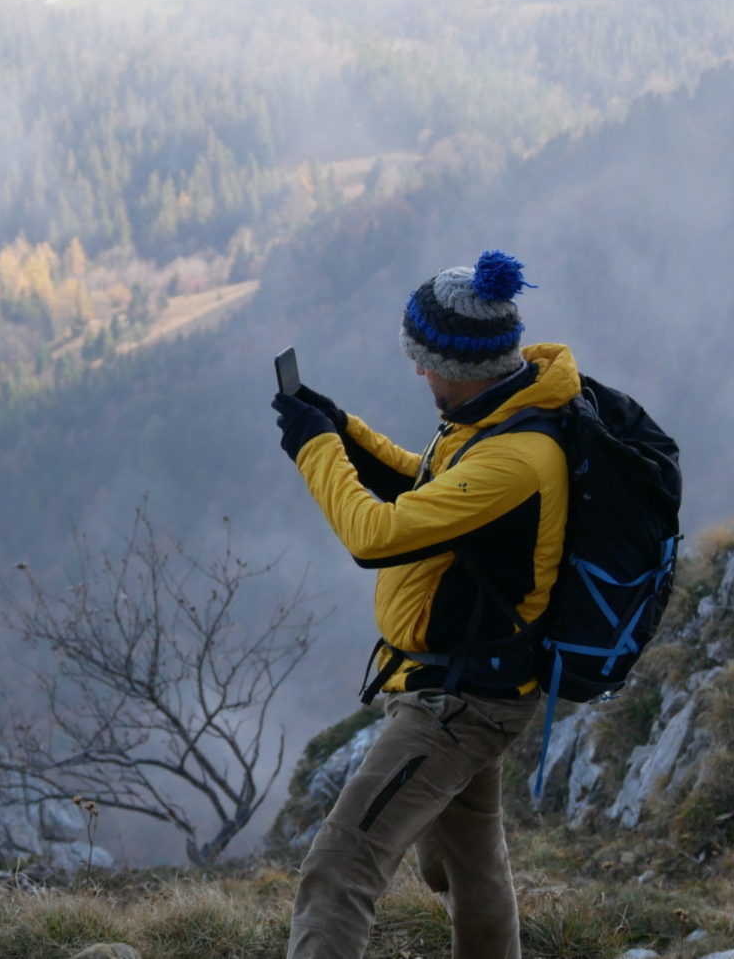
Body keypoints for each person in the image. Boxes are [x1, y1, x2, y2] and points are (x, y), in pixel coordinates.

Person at [268, 250, 578, 959]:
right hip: (475, 681)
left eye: (424, 361)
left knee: (340, 867)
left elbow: (374, 536)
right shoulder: (501, 410)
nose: (418, 372)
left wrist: (316, 450)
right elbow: (432, 487)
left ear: (460, 367)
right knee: (468, 866)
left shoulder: (516, 456)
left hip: (458, 703)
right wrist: (340, 429)